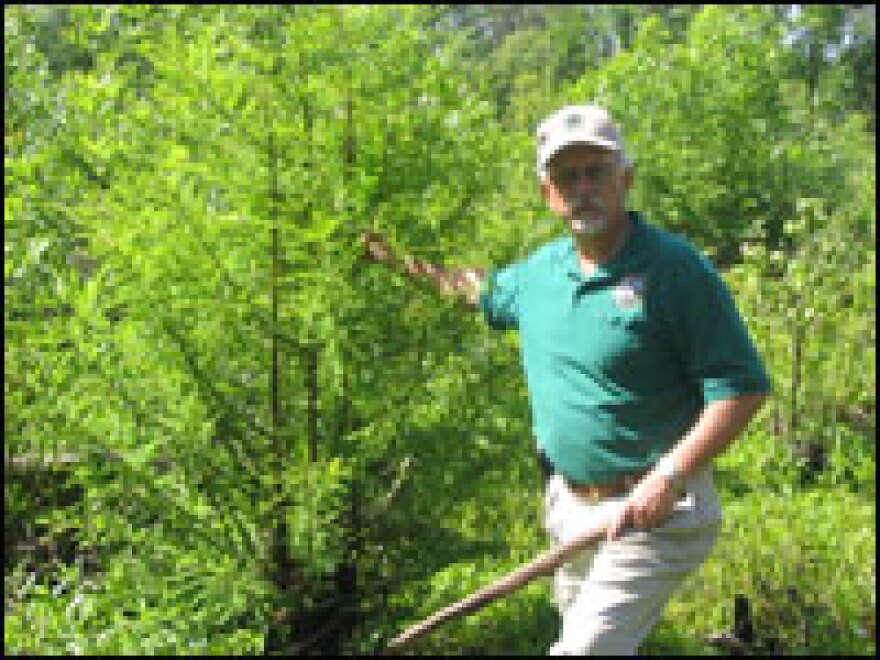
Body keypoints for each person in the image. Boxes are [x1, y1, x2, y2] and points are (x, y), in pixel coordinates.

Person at [361, 104, 771, 655]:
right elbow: (473, 290)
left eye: (596, 172)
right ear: (547, 193)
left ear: (624, 179)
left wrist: (670, 476)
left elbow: (741, 389)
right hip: (571, 508)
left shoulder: (675, 270)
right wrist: (393, 260)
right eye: (566, 176)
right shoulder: (539, 276)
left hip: (655, 509)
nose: (583, 188)